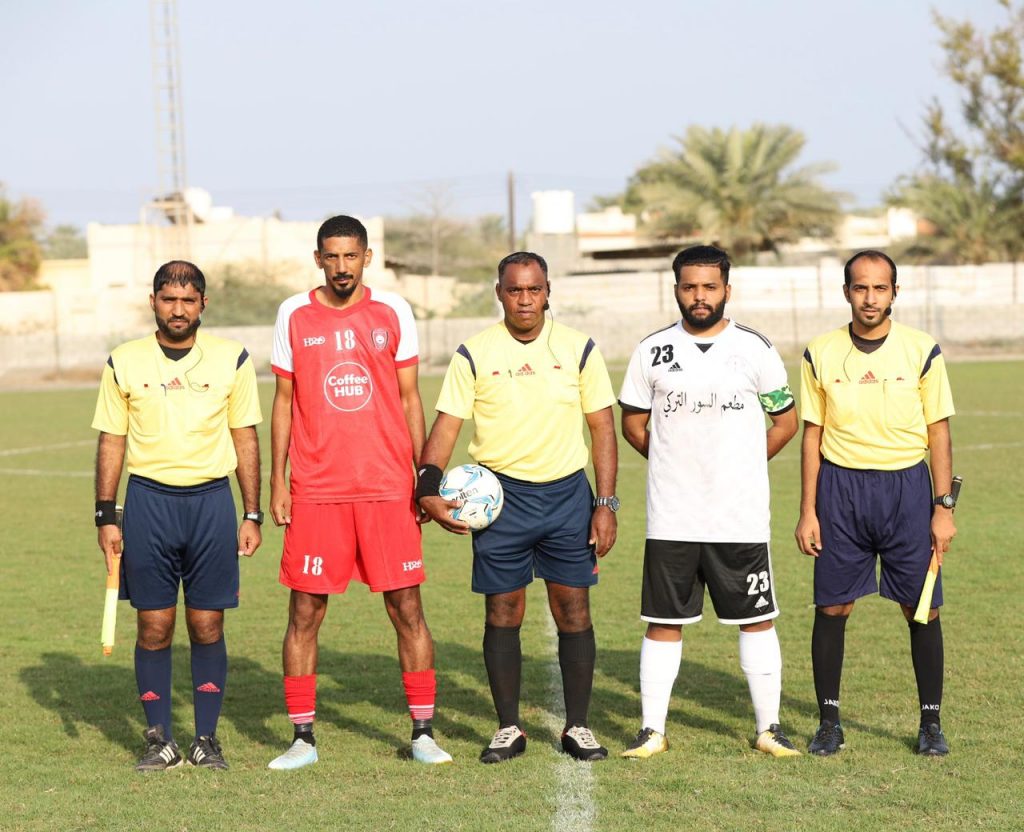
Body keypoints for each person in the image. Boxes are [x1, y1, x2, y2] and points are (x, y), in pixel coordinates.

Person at [417, 251, 618, 764]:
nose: (525, 299)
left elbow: (602, 428)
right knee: (503, 610)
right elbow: (446, 426)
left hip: (567, 497)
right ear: (499, 293)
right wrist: (427, 486)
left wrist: (606, 503)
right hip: (499, 501)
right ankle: (508, 727)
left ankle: (578, 726)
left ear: (548, 292)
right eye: (514, 290)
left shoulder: (578, 348)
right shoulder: (474, 352)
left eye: (534, 290)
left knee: (573, 608)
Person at [266, 214, 451, 769]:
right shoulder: (293, 313)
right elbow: (282, 401)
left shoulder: (393, 311)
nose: (342, 267)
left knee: (407, 608)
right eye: (332, 256)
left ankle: (423, 732)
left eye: (351, 256)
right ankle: (302, 738)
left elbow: (411, 398)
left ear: (367, 257)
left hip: (387, 486)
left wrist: (423, 478)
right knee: (304, 611)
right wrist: (278, 479)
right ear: (318, 259)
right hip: (317, 489)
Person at [617, 245, 801, 759]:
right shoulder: (652, 350)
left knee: (757, 618)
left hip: (739, 516)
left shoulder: (755, 349)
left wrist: (745, 463)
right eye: (690, 287)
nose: (700, 296)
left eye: (710, 287)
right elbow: (633, 423)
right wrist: (671, 460)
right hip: (672, 515)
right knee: (663, 620)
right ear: (676, 289)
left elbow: (785, 422)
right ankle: (652, 730)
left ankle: (769, 729)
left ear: (727, 290)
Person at [92, 260, 263, 771]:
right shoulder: (124, 360)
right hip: (148, 504)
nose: (178, 309)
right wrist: (105, 515)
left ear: (203, 303)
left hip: (211, 503)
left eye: (188, 300)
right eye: (169, 299)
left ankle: (206, 739)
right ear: (154, 302)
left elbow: (245, 436)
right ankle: (158, 741)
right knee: (154, 625)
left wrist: (252, 512)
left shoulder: (232, 358)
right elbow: (112, 440)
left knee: (207, 623)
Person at [796, 250, 957, 757]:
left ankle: (930, 724)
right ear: (846, 292)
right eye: (861, 288)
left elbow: (938, 431)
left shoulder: (922, 349)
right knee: (833, 606)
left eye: (880, 288)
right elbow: (811, 435)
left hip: (907, 490)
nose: (870, 298)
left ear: (895, 292)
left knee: (921, 609)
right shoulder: (819, 352)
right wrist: (808, 510)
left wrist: (943, 507)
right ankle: (829, 723)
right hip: (840, 491)